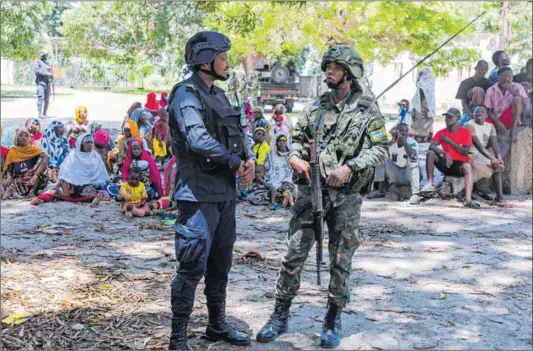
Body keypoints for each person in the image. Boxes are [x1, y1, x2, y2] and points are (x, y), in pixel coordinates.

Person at [256, 45, 388, 349]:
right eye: (327, 65)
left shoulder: (367, 108)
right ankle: (280, 314)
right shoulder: (316, 106)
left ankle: (332, 318)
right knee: (294, 254)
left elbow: (380, 149)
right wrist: (294, 157)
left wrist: (350, 166)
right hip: (311, 191)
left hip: (346, 196)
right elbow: (298, 141)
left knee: (340, 258)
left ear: (349, 74)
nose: (328, 70)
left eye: (335, 66)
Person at [166, 31, 255, 350]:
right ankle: (177, 337)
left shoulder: (219, 95)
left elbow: (239, 133)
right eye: (222, 56)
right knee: (192, 265)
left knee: (221, 263)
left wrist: (249, 160)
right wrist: (235, 162)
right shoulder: (185, 94)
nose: (227, 62)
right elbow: (197, 139)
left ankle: (217, 325)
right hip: (197, 195)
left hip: (224, 196)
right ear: (206, 61)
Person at [420, 107, 478, 208]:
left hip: (458, 165)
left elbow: (464, 152)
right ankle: (430, 184)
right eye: (446, 116)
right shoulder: (441, 132)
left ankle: (468, 200)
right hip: (446, 164)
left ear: (458, 118)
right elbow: (432, 146)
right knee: (431, 153)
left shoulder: (465, 132)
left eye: (450, 116)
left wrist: (450, 142)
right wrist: (445, 153)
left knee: (468, 167)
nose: (447, 118)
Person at [30, 133, 109, 206]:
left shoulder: (95, 156)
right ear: (80, 144)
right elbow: (65, 173)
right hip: (72, 184)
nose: (90, 144)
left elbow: (101, 175)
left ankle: (95, 197)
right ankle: (42, 198)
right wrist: (60, 184)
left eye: (91, 142)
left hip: (88, 185)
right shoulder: (73, 155)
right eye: (87, 142)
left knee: (91, 191)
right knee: (58, 190)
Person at [464, 106, 506, 205]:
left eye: (482, 112)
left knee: (498, 164)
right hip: (471, 154)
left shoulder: (490, 126)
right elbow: (478, 146)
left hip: (480, 155)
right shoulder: (468, 125)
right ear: (473, 114)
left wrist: (499, 156)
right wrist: (492, 158)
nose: (479, 113)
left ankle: (499, 197)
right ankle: (500, 198)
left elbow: (494, 143)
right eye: (476, 111)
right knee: (495, 165)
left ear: (486, 115)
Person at [484, 66, 529, 143]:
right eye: (507, 75)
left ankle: (514, 130)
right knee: (481, 121)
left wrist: (511, 89)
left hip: (512, 118)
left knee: (517, 99)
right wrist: (498, 121)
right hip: (497, 119)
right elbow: (489, 111)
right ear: (499, 77)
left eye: (511, 76)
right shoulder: (491, 90)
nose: (510, 78)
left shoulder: (517, 86)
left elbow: (526, 103)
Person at [2, 129, 49, 199]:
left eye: (26, 136)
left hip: (34, 177)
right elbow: (9, 169)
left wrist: (35, 175)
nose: (23, 138)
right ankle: (12, 191)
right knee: (12, 182)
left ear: (29, 138)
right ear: (16, 138)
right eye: (20, 135)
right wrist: (9, 177)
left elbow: (46, 157)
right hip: (21, 177)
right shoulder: (12, 152)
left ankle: (32, 192)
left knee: (43, 169)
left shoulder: (33, 149)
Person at [384, 123, 421, 204]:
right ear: (396, 132)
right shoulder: (392, 142)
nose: (404, 133)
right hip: (396, 175)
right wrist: (392, 140)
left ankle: (415, 194)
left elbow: (412, 155)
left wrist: (404, 141)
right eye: (401, 130)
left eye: (406, 131)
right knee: (380, 156)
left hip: (409, 176)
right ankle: (380, 190)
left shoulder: (412, 142)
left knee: (413, 160)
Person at [455, 60, 492, 124]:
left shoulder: (488, 83)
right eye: (482, 69)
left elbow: (490, 102)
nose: (484, 71)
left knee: (478, 90)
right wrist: (470, 114)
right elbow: (463, 103)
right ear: (476, 68)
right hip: (468, 111)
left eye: (486, 70)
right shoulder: (465, 83)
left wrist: (486, 114)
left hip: (482, 111)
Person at [265, 132, 295, 209]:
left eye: (284, 141)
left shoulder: (289, 155)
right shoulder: (271, 155)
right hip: (276, 181)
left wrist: (287, 179)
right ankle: (292, 204)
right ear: (276, 142)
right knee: (285, 190)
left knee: (288, 188)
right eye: (280, 141)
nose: (282, 143)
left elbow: (290, 170)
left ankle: (288, 202)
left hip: (288, 180)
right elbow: (268, 170)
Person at [410, 67, 436, 142]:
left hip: (422, 109)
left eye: (420, 74)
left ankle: (419, 139)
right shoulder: (430, 84)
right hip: (427, 110)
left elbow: (419, 99)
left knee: (419, 126)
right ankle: (424, 139)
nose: (418, 77)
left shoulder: (422, 84)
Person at [34, 51, 53, 118]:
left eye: (46, 55)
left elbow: (50, 71)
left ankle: (45, 113)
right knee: (40, 98)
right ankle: (40, 114)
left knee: (47, 99)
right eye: (44, 55)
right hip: (41, 83)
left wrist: (51, 76)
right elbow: (37, 71)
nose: (45, 56)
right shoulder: (37, 62)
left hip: (48, 83)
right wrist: (47, 73)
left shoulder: (48, 63)